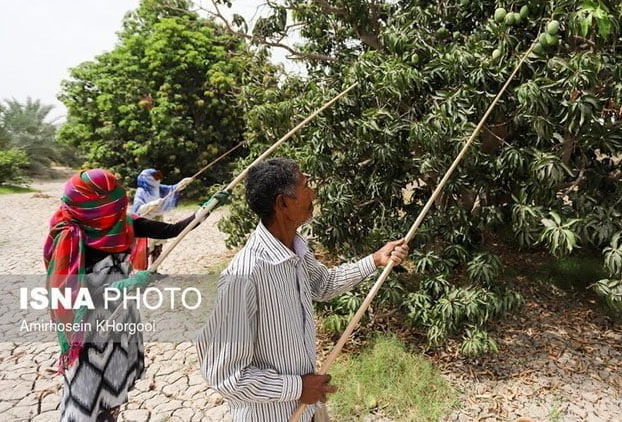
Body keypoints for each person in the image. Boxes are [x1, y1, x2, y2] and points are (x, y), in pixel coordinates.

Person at [195, 158, 409, 421]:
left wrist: (374, 260)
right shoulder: (244, 276)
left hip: (307, 410)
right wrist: (296, 387)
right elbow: (224, 374)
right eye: (306, 185)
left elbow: (323, 285)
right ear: (283, 203)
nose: (313, 193)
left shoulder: (295, 247)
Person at [44, 169, 206, 422]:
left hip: (120, 322)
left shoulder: (124, 223)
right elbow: (67, 295)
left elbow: (172, 230)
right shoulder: (70, 236)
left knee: (115, 383)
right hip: (88, 329)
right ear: (95, 209)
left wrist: (204, 211)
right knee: (86, 391)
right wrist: (123, 286)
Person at [131, 168, 193, 264]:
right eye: (155, 177)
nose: (158, 179)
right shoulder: (141, 192)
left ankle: (154, 269)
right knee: (147, 247)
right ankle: (144, 270)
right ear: (147, 178)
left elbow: (173, 189)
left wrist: (182, 183)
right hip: (146, 221)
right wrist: (151, 204)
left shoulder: (158, 188)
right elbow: (138, 209)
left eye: (159, 176)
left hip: (158, 218)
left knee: (158, 244)